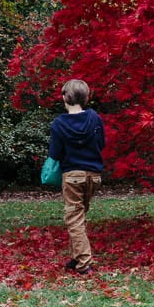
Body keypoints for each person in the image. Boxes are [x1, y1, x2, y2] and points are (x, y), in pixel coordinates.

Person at [48, 79, 105, 275]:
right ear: (86, 97)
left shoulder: (59, 124)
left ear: (65, 97)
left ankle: (84, 263)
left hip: (72, 176)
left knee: (73, 218)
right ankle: (75, 256)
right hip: (94, 176)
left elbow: (55, 153)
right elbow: (101, 143)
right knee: (79, 216)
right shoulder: (94, 118)